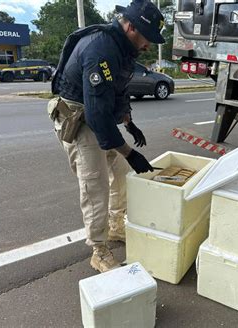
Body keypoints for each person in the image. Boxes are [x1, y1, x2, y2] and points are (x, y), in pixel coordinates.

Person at [48, 0, 165, 273]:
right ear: (132, 27)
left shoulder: (122, 48)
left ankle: (115, 226)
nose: (149, 45)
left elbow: (118, 89)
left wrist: (128, 121)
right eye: (148, 38)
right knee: (94, 187)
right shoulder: (100, 49)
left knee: (122, 173)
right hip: (79, 120)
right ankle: (99, 251)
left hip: (97, 118)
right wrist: (130, 151)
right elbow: (98, 116)